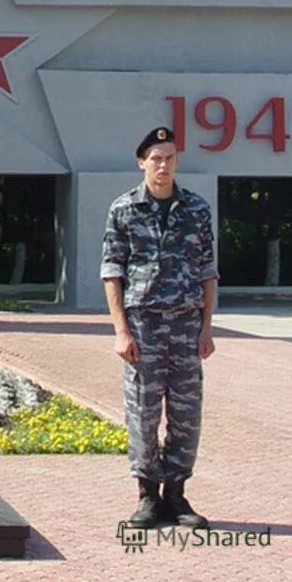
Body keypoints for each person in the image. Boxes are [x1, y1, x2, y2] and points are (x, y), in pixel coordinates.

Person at [100, 126, 217, 529]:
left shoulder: (197, 209)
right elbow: (112, 272)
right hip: (144, 327)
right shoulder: (124, 209)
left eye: (169, 158)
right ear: (142, 162)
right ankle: (148, 496)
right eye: (156, 158)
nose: (163, 165)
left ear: (177, 162)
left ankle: (177, 495)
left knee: (187, 413)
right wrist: (121, 330)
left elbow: (207, 272)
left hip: (186, 326)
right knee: (143, 413)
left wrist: (206, 329)